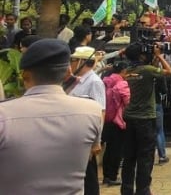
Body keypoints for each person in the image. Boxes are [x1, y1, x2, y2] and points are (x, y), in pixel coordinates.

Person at [0, 39, 102, 194]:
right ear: (68, 71)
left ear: (24, 74)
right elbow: (93, 150)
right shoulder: (92, 110)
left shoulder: (4, 114)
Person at [121, 42, 171, 195]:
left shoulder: (126, 71)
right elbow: (169, 72)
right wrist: (159, 56)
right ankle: (143, 191)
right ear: (142, 55)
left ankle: (127, 190)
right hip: (146, 119)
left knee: (129, 157)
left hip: (129, 118)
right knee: (145, 158)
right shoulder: (149, 70)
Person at [68, 46, 107, 195]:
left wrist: (97, 140)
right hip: (72, 136)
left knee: (89, 178)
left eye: (73, 60)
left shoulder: (94, 82)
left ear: (82, 62)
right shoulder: (75, 80)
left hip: (86, 137)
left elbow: (100, 112)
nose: (71, 63)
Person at [102, 61, 131, 186]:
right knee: (117, 150)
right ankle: (113, 176)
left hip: (107, 119)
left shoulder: (106, 82)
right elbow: (128, 102)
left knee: (108, 149)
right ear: (123, 71)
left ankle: (106, 176)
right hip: (118, 121)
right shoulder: (122, 84)